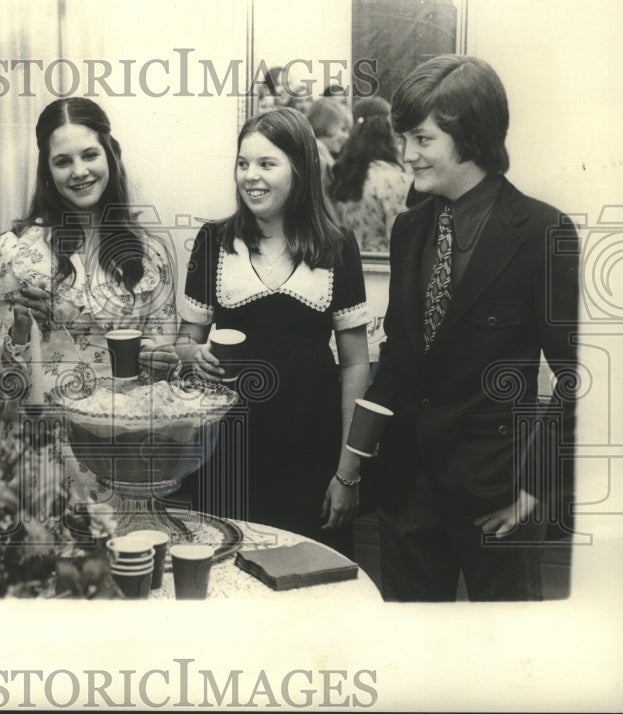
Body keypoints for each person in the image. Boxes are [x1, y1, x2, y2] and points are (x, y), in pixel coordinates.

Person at [347, 55, 580, 601]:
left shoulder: (543, 231)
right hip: (408, 497)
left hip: (498, 497)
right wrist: (353, 469)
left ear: (470, 136)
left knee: (507, 670)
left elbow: (582, 375)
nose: (407, 155)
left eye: (423, 140)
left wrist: (533, 489)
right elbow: (398, 360)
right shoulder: (408, 229)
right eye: (405, 138)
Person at [178, 107, 371, 556]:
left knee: (309, 586)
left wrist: (348, 472)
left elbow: (357, 364)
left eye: (267, 164)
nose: (251, 176)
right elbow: (188, 341)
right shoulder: (214, 241)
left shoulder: (337, 247)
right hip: (228, 451)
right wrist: (193, 356)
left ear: (301, 169)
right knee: (227, 576)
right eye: (243, 164)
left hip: (311, 453)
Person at [0, 97, 180, 501]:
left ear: (110, 155)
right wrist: (23, 328)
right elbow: (2, 380)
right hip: (44, 452)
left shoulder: (151, 254)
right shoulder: (16, 249)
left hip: (124, 449)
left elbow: (164, 372)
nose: (79, 172)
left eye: (90, 155)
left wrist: (161, 359)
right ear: (47, 169)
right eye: (63, 161)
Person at [328, 96, 412, 252]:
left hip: (352, 265)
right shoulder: (394, 179)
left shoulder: (345, 173)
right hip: (384, 267)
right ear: (389, 129)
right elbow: (403, 241)